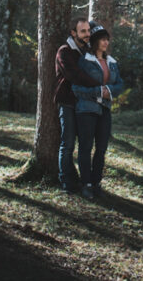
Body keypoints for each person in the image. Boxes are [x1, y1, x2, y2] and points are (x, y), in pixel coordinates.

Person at [72, 21, 124, 200]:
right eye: (102, 39)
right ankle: (85, 184)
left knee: (101, 148)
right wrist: (98, 92)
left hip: (105, 110)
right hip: (86, 110)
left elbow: (120, 84)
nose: (106, 42)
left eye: (107, 39)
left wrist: (108, 92)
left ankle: (96, 183)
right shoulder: (85, 61)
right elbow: (76, 88)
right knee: (86, 147)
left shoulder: (112, 62)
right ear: (94, 41)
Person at [54, 17, 101, 194]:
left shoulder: (88, 51)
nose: (87, 34)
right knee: (67, 144)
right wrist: (97, 84)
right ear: (73, 33)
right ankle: (66, 181)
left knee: (85, 145)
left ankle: (86, 182)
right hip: (67, 102)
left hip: (85, 104)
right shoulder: (64, 52)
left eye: (88, 31)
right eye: (83, 31)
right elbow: (75, 76)